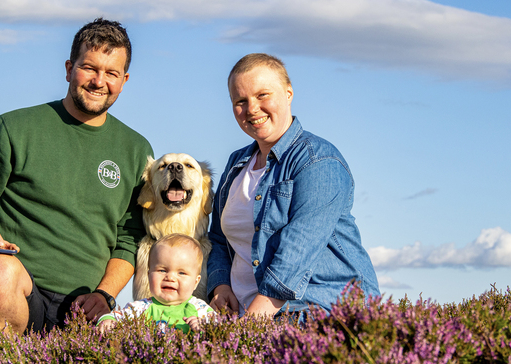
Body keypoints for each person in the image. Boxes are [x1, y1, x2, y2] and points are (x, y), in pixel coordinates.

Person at [0, 18, 153, 333]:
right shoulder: (15, 127)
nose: (99, 81)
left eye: (111, 73)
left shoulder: (136, 150)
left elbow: (130, 237)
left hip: (86, 309)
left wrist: (106, 295)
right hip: (21, 292)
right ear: (69, 68)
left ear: (124, 80)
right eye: (89, 68)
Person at [207, 53, 380, 317]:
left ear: (288, 94)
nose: (252, 108)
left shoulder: (319, 161)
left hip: (321, 313)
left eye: (263, 95)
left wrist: (250, 326)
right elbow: (218, 238)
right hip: (254, 317)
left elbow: (296, 252)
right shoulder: (236, 163)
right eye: (240, 101)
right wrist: (219, 286)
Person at [98, 233, 215, 333]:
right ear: (148, 275)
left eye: (181, 273)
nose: (170, 277)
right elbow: (115, 317)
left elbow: (221, 328)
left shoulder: (201, 309)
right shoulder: (140, 308)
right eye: (162, 270)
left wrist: (205, 326)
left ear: (195, 282)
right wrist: (108, 322)